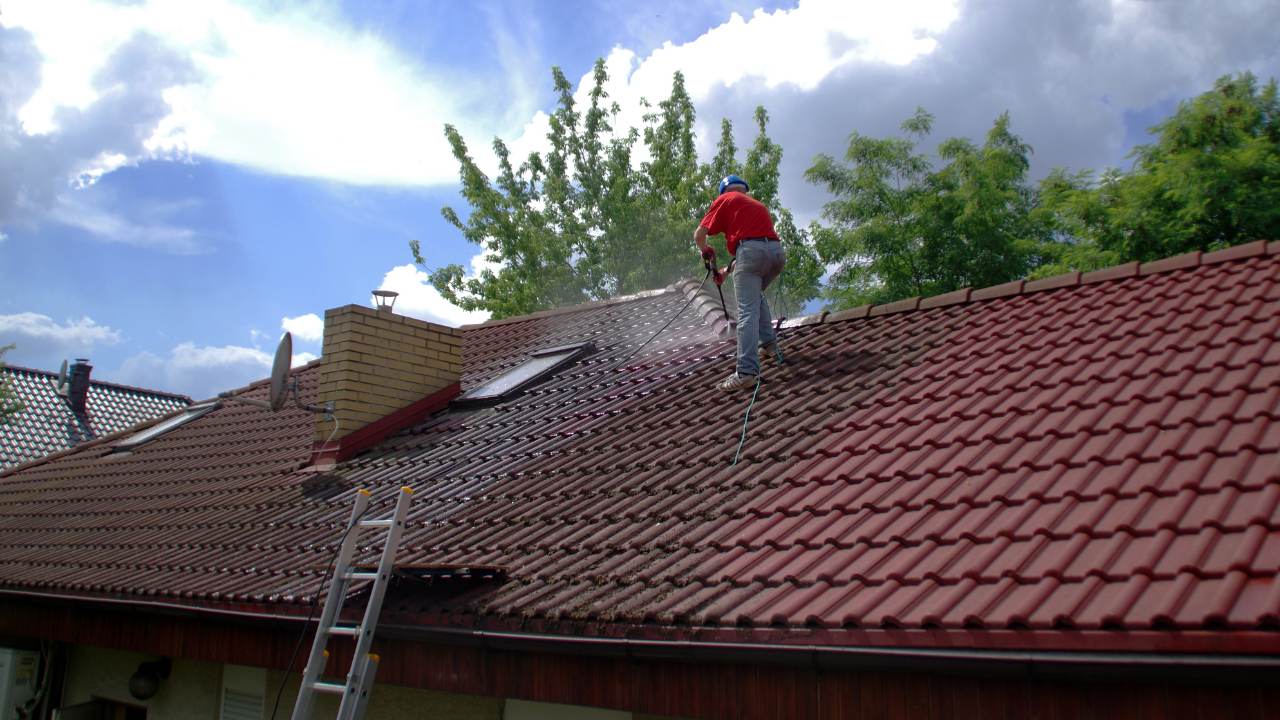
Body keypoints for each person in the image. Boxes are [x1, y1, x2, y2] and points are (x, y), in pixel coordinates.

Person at [694, 174, 786, 391]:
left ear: (724, 191)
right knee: (755, 296)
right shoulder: (757, 206)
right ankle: (769, 345)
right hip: (776, 254)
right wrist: (725, 272)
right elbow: (757, 248)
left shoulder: (725, 199)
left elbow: (699, 235)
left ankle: (746, 372)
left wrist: (705, 250)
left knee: (747, 312)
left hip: (751, 254)